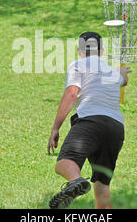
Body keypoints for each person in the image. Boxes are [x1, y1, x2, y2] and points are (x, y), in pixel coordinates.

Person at [47, 32, 131, 209]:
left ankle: (76, 181)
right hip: (116, 128)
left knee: (64, 163)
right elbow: (124, 81)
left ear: (79, 50)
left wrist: (56, 127)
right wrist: (122, 72)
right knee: (102, 187)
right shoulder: (111, 71)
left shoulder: (77, 65)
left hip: (90, 122)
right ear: (101, 51)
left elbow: (71, 93)